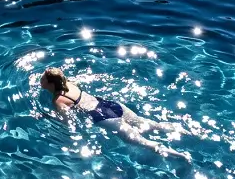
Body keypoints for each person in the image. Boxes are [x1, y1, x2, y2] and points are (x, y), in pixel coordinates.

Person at [40, 67, 190, 161]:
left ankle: (180, 156)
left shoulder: (58, 100)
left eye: (44, 78)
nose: (41, 79)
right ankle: (182, 130)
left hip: (101, 116)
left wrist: (49, 118)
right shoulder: (69, 83)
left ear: (50, 84)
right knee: (148, 123)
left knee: (142, 142)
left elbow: (68, 122)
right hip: (110, 104)